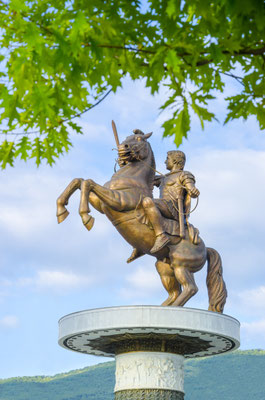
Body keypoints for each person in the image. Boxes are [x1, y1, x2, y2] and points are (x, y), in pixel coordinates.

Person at [127, 151, 200, 263]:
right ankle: (141, 244)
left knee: (147, 201)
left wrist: (192, 190)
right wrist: (130, 163)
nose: (165, 161)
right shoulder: (163, 178)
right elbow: (144, 178)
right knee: (139, 202)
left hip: (174, 209)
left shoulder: (184, 174)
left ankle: (161, 236)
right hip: (163, 205)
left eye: (167, 158)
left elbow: (191, 187)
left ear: (175, 160)